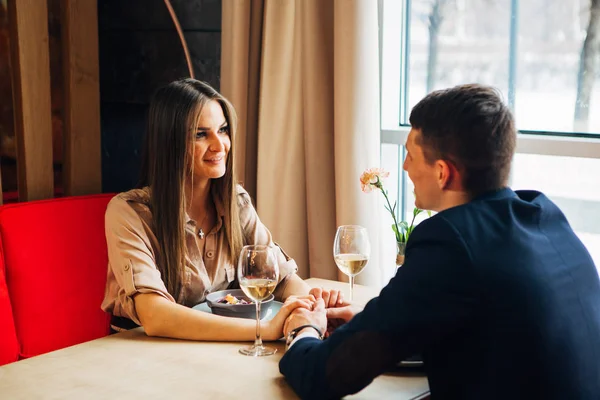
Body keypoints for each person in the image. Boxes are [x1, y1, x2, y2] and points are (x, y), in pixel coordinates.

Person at [279, 84, 600, 399]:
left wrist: (303, 330)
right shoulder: (545, 215)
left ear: (443, 172)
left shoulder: (450, 241)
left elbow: (325, 376)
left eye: (411, 155)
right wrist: (368, 321)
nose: (404, 166)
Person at [101, 78, 318, 341]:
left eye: (223, 130)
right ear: (170, 143)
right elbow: (154, 315)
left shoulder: (235, 202)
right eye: (200, 134)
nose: (220, 145)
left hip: (212, 352)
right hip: (139, 357)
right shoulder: (128, 213)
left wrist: (311, 310)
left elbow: (281, 279)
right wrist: (265, 330)